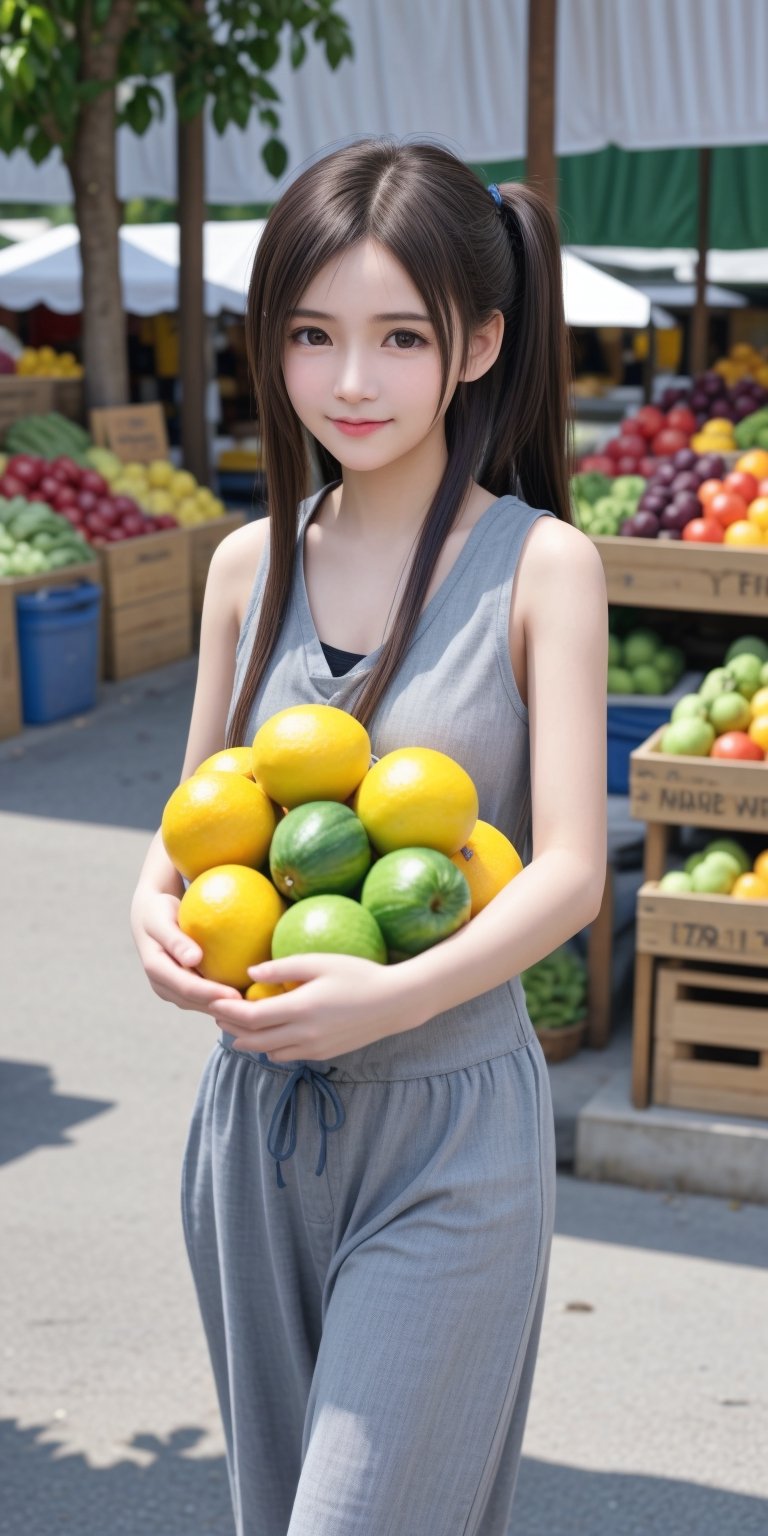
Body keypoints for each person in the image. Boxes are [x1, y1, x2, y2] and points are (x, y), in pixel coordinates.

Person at [130, 137, 607, 1536]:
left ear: (479, 344)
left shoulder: (542, 566)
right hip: (254, 1126)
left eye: (400, 336)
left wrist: (389, 996)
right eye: (313, 336)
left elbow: (574, 868)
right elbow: (188, 834)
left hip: (451, 1124)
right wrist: (150, 924)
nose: (351, 380)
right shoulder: (243, 565)